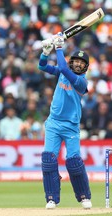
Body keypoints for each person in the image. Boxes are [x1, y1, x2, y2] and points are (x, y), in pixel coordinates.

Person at [38, 32, 92, 210]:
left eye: (82, 63)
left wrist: (59, 47)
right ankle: (52, 198)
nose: (78, 63)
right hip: (53, 123)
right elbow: (42, 66)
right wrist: (46, 52)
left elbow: (62, 67)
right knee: (48, 159)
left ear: (85, 68)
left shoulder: (81, 82)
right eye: (76, 60)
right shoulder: (63, 72)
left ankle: (84, 196)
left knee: (74, 161)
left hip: (71, 126)